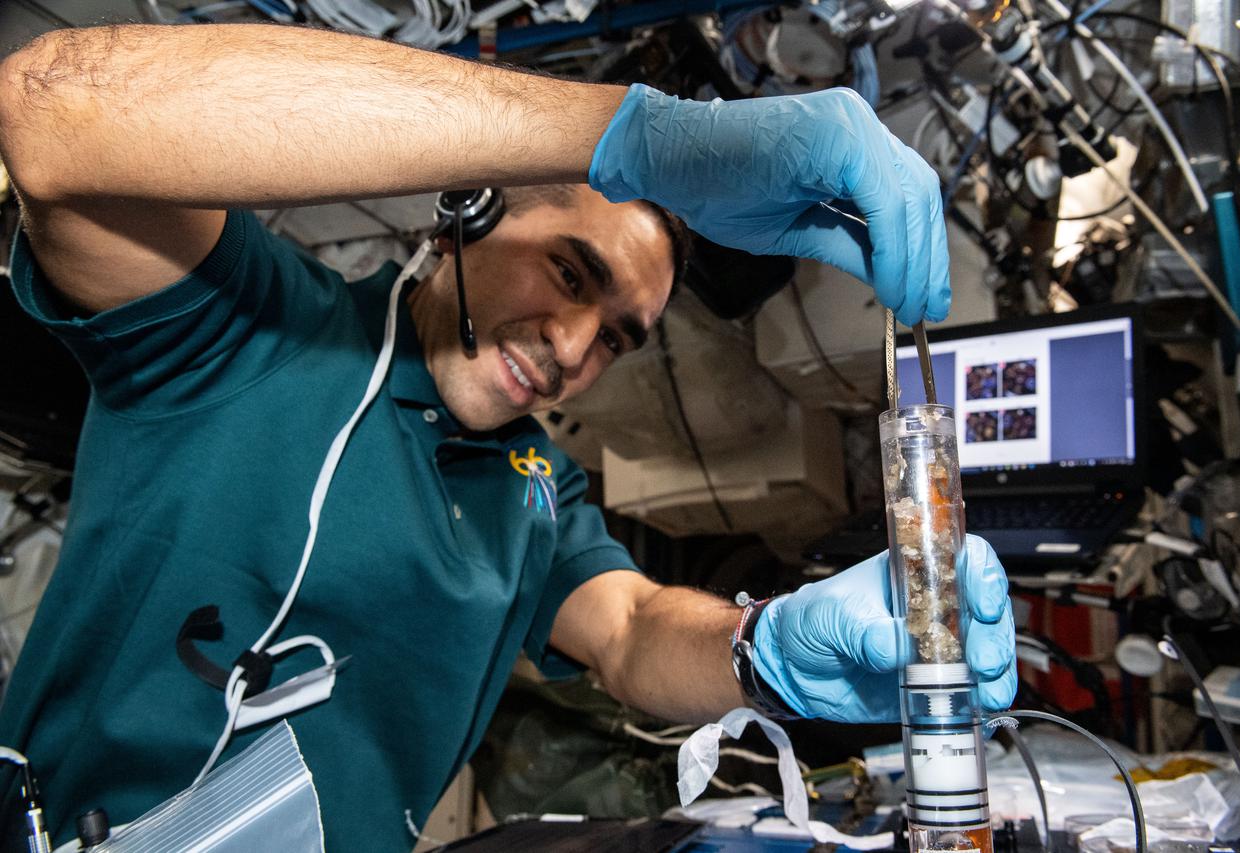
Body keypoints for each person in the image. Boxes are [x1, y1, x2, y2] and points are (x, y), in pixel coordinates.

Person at [0, 21, 1016, 852]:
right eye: (571, 273)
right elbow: (53, 112)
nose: (577, 347)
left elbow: (626, 631)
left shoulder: (534, 485)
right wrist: (632, 131)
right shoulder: (250, 322)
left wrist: (764, 647)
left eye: (618, 336)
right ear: (466, 211)